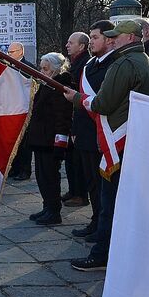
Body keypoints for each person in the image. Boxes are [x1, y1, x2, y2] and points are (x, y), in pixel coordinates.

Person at [63, 19, 149, 271]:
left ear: (131, 38)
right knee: (123, 200)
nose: (112, 40)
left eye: (117, 36)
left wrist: (77, 99)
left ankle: (101, 254)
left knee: (110, 201)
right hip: (133, 136)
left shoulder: (123, 63)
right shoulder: (147, 63)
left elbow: (103, 103)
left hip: (118, 138)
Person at [69, 21, 117, 241]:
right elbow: (81, 102)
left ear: (108, 39)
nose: (91, 42)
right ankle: (96, 220)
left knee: (102, 184)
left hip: (103, 132)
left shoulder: (113, 65)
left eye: (95, 37)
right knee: (91, 181)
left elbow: (100, 100)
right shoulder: (91, 65)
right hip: (86, 132)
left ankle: (102, 225)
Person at [25, 53, 73, 226]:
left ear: (56, 69)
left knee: (50, 177)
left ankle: (54, 211)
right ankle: (47, 207)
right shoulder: (47, 84)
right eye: (41, 68)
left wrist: (60, 144)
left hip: (49, 141)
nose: (42, 71)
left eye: (46, 69)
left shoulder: (59, 86)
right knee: (41, 176)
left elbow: (63, 117)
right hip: (40, 139)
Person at [62, 32, 90, 208]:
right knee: (70, 159)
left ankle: (80, 194)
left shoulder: (84, 64)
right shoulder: (74, 63)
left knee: (77, 160)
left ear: (81, 46)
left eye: (71, 42)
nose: (67, 45)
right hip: (73, 116)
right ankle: (73, 190)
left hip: (80, 117)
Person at [8, 41, 36, 180]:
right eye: (8, 52)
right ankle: (14, 168)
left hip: (24, 110)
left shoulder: (28, 67)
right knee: (13, 142)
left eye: (11, 52)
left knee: (24, 144)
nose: (9, 54)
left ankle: (25, 170)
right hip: (11, 109)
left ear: (20, 52)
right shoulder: (7, 66)